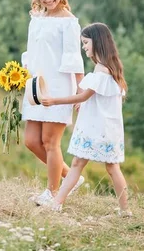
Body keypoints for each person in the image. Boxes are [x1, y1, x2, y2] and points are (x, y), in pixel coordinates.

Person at [41, 22, 131, 216]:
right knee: (112, 167)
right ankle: (125, 210)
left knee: (77, 164)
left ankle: (56, 203)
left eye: (85, 42)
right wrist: (85, 103)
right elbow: (96, 98)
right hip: (110, 129)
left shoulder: (101, 70)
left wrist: (54, 100)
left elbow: (83, 96)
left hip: (95, 128)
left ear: (97, 42)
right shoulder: (112, 70)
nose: (84, 47)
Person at [21, 0, 85, 205]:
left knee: (50, 142)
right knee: (31, 141)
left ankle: (52, 192)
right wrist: (20, 78)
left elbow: (73, 57)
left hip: (58, 86)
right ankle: (71, 177)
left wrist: (80, 90)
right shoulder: (37, 18)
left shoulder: (68, 22)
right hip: (36, 86)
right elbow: (31, 51)